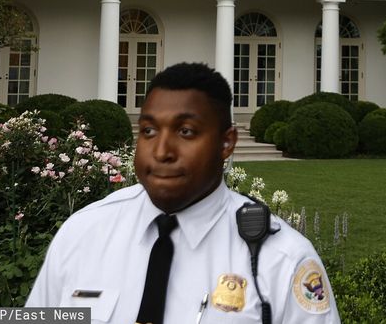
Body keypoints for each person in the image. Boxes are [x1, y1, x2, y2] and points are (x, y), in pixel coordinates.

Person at [27, 62, 340, 323]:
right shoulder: (83, 234)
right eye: (148, 131)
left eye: (186, 132)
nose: (161, 151)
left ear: (227, 142)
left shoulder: (281, 259)